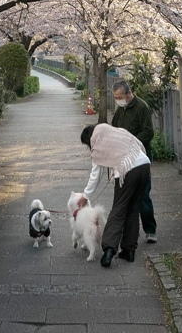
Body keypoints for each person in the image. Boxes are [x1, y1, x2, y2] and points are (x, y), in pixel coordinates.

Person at [77, 122, 151, 268]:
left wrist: (85, 196)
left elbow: (95, 175)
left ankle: (109, 250)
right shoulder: (115, 131)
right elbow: (138, 143)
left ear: (89, 139)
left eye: (87, 145)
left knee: (119, 209)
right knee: (133, 209)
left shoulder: (98, 144)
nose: (89, 147)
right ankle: (129, 251)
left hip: (128, 169)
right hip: (144, 165)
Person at [110, 78, 157, 243]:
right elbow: (114, 127)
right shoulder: (121, 109)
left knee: (143, 193)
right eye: (116, 98)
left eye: (120, 97)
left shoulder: (141, 107)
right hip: (124, 156)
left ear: (129, 93)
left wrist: (132, 142)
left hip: (140, 156)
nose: (118, 100)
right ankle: (126, 231)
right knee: (124, 195)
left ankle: (150, 229)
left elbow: (148, 132)